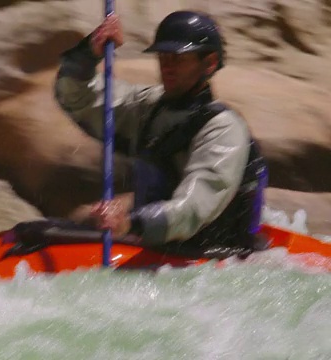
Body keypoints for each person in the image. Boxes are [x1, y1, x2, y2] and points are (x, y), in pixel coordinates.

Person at [54, 10, 269, 258]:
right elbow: (78, 98)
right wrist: (89, 53)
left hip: (214, 256)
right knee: (59, 224)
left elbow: (193, 209)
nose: (167, 66)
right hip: (157, 243)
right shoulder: (149, 106)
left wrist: (130, 223)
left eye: (178, 58)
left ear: (208, 63)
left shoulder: (224, 129)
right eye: (163, 56)